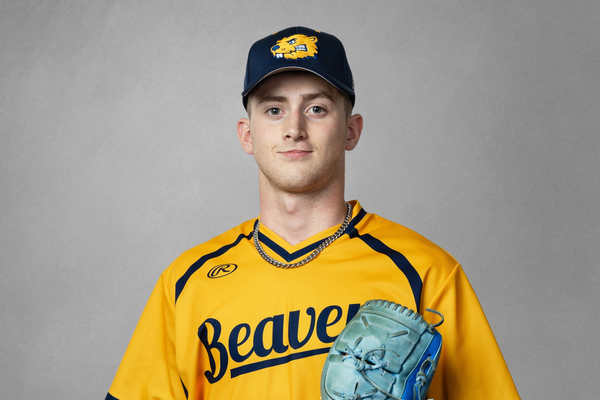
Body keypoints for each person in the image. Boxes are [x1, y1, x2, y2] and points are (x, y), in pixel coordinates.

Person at [105, 26, 520, 400]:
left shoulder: (426, 274)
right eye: (274, 110)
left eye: (316, 108)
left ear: (351, 130)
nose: (294, 129)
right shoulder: (186, 283)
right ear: (247, 135)